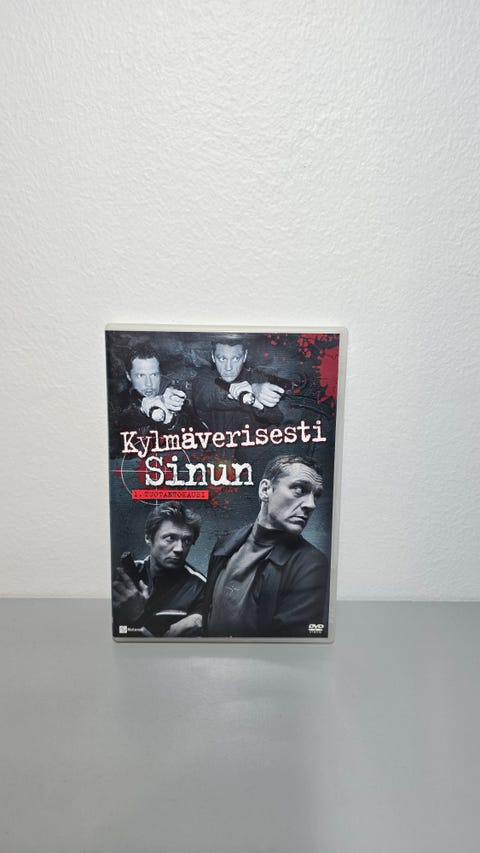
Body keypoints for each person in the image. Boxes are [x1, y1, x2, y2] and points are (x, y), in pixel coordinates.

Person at [202, 455, 329, 638]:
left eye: (316, 496)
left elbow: (292, 643)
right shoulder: (225, 544)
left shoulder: (311, 564)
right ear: (265, 490)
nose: (311, 505)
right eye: (299, 489)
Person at [112, 502, 206, 637]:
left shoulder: (200, 588)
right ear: (148, 538)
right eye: (170, 538)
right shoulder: (120, 576)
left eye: (186, 541)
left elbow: (169, 641)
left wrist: (139, 615)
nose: (179, 549)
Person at [191, 334, 286, 433]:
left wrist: (262, 402)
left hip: (254, 442)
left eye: (236, 358)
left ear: (244, 356)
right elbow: (206, 392)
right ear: (213, 357)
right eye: (222, 359)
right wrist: (252, 392)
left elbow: (278, 417)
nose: (228, 367)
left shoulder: (259, 379)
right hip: (216, 442)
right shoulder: (204, 379)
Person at [116, 344, 189, 433]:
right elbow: (118, 422)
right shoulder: (117, 402)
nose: (149, 384)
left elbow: (197, 432)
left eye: (154, 375)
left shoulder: (172, 398)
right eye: (141, 375)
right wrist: (141, 410)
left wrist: (171, 420)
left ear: (160, 374)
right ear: (128, 376)